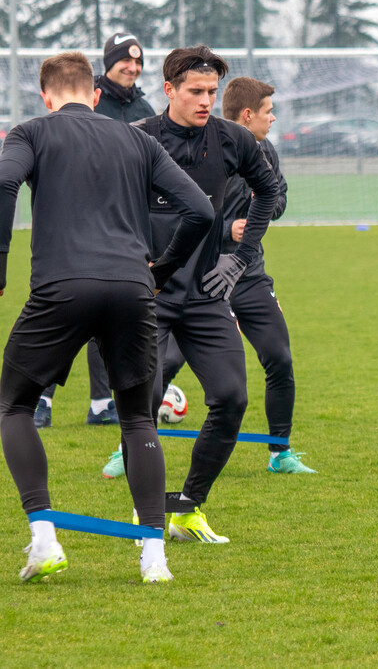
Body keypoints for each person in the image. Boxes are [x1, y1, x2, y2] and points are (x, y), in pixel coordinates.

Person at [0, 52, 213, 583]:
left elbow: (4, 185)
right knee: (138, 419)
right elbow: (202, 211)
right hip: (131, 288)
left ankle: (44, 539)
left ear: (46, 98)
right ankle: (153, 558)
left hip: (62, 287)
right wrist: (161, 270)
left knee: (13, 405)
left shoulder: (30, 132)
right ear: (95, 95)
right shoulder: (138, 139)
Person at [98, 45, 279, 543]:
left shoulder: (233, 139)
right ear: (169, 90)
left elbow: (270, 193)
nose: (204, 100)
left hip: (205, 294)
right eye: (195, 91)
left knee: (232, 397)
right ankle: (147, 509)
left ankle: (189, 506)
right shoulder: (137, 140)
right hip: (146, 296)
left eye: (211, 92)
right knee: (143, 403)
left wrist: (240, 257)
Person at [126, 77, 314, 475]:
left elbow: (275, 198)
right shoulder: (186, 146)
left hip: (247, 274)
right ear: (248, 114)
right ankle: (130, 444)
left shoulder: (263, 151)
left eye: (211, 92)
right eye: (267, 112)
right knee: (157, 370)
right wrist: (228, 230)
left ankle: (280, 451)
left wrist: (251, 229)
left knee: (279, 357)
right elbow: (186, 211)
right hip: (192, 276)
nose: (273, 118)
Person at [33, 33, 156, 430]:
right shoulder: (84, 98)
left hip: (122, 227)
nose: (132, 68)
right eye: (124, 62)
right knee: (68, 318)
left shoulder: (144, 108)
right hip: (73, 229)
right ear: (107, 64)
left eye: (137, 63)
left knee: (106, 321)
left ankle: (103, 403)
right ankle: (40, 398)